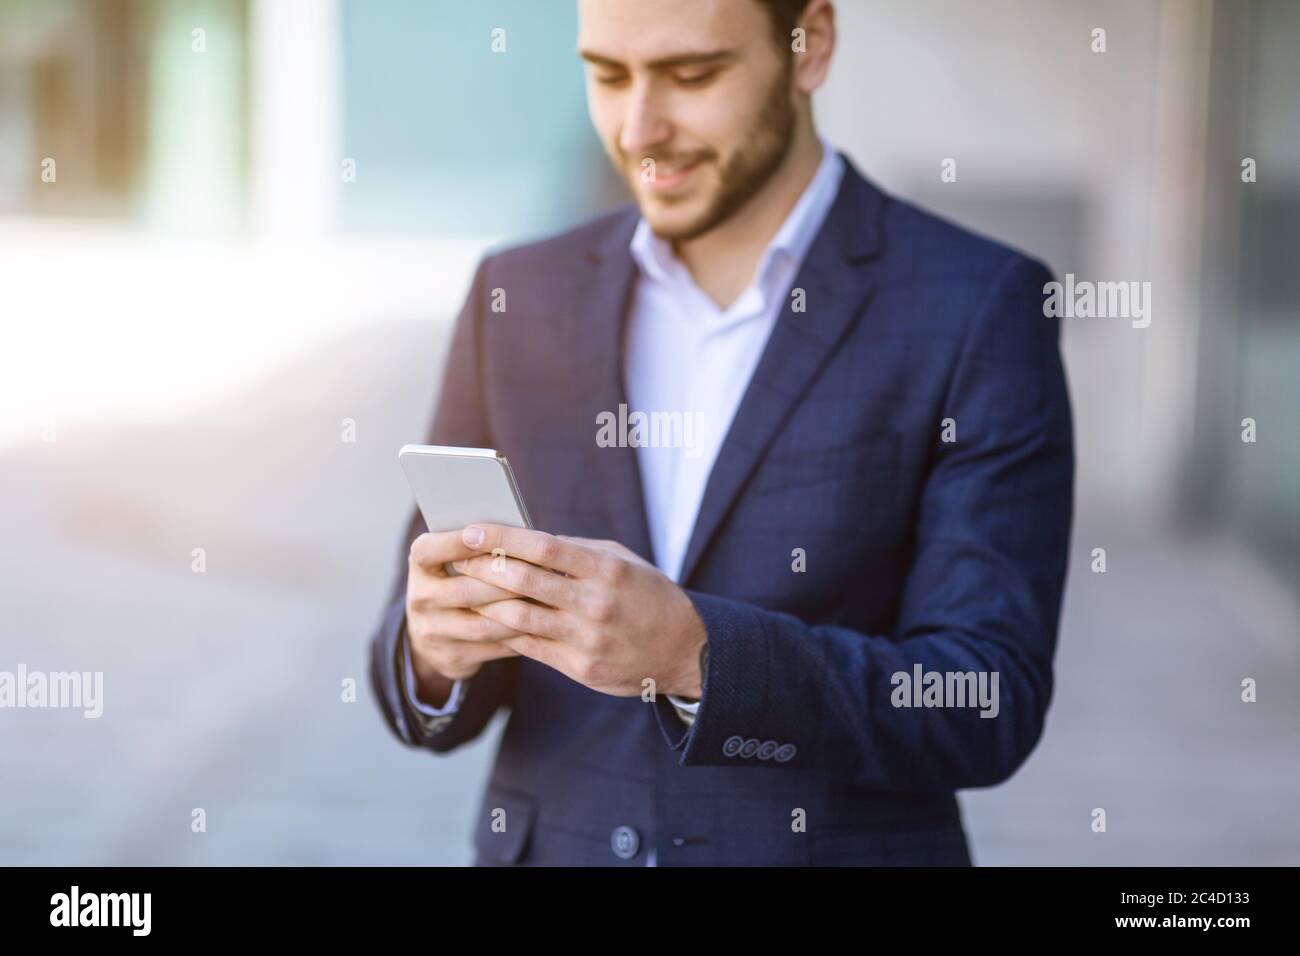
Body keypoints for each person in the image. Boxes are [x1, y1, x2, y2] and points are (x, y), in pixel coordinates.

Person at [369, 0, 1074, 866]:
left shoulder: (979, 305)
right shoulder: (517, 293)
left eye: (693, 75)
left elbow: (984, 699)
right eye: (608, 74)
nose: (640, 130)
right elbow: (417, 669)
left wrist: (696, 655)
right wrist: (436, 650)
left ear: (808, 45)